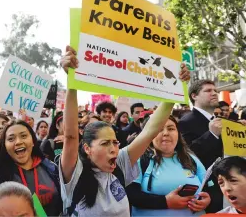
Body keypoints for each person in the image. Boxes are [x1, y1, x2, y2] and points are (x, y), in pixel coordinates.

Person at [58, 46, 190, 216]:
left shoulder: (120, 163)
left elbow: (150, 131)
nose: (113, 148)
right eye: (104, 143)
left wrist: (175, 89)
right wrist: (72, 81)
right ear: (87, 148)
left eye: (114, 142)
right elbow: (70, 136)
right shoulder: (74, 172)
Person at [127, 115, 211, 216]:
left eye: (171, 128)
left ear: (178, 134)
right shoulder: (138, 159)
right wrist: (165, 202)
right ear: (148, 134)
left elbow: (208, 187)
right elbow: (130, 195)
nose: (166, 133)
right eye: (159, 129)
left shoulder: (192, 159)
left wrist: (207, 200)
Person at [0, 120, 62, 216]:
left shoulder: (51, 168)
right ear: (4, 145)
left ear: (33, 141)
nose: (18, 142)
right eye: (11, 139)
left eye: (23, 136)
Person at [178, 80, 223, 212]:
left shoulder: (220, 120)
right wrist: (211, 134)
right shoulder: (185, 122)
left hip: (225, 187)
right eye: (208, 91)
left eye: (215, 91)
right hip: (204, 192)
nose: (214, 93)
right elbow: (187, 155)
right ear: (194, 96)